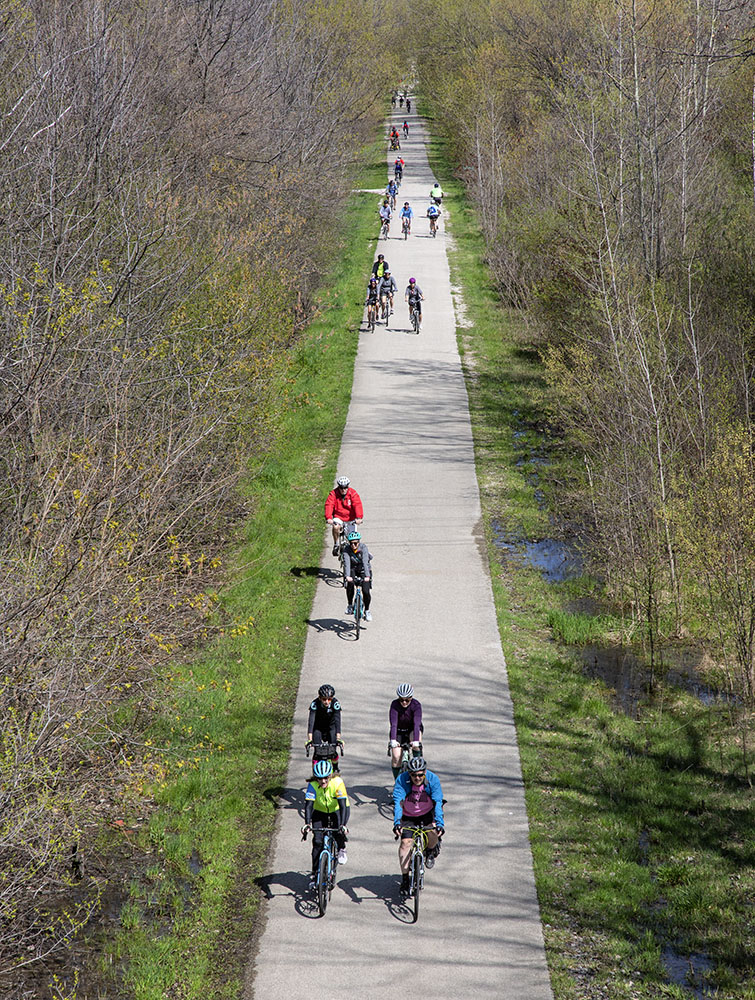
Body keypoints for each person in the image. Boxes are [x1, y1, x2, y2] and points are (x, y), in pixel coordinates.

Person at [393, 756, 444, 894]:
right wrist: (397, 822)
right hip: (408, 815)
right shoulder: (402, 780)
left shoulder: (433, 780)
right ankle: (405, 879)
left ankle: (430, 850)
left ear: (425, 772)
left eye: (420, 775)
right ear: (409, 773)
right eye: (414, 775)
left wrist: (439, 823)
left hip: (427, 813)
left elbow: (438, 802)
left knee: (433, 832)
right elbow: (398, 802)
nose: (417, 778)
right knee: (405, 843)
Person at [303, 759, 350, 883]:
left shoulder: (337, 783)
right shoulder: (312, 785)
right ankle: (314, 873)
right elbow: (308, 806)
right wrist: (307, 823)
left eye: (325, 778)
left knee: (338, 832)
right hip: (319, 811)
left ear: (330, 776)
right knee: (317, 842)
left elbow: (343, 805)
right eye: (319, 778)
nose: (323, 781)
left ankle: (341, 848)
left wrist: (343, 825)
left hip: (338, 810)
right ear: (316, 777)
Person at [389, 683, 423, 778]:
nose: (404, 702)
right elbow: (393, 724)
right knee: (396, 756)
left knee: (416, 743)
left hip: (412, 729)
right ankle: (398, 782)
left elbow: (417, 724)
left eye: (407, 700)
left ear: (411, 698)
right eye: (401, 700)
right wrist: (393, 740)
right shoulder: (394, 705)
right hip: (399, 730)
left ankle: (418, 764)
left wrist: (416, 741)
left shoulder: (416, 705)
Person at [324, 475, 363, 555]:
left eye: (345, 488)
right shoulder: (333, 494)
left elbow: (357, 504)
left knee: (353, 539)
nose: (343, 490)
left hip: (351, 518)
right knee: (336, 527)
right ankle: (336, 544)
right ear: (339, 487)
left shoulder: (353, 493)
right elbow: (329, 505)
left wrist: (359, 517)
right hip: (339, 517)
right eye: (341, 488)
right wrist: (329, 517)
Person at [343, 529, 372, 622]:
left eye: (355, 543)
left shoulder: (363, 548)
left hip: (364, 570)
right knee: (350, 584)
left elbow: (365, 562)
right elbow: (347, 564)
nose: (353, 545)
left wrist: (367, 576)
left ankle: (367, 611)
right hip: (353, 570)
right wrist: (347, 576)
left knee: (366, 591)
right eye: (351, 543)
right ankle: (350, 605)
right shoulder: (347, 550)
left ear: (359, 542)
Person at [307, 683, 342, 750]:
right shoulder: (315, 704)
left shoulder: (335, 704)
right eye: (324, 699)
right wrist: (310, 739)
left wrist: (338, 738)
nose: (326, 702)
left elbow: (337, 720)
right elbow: (311, 721)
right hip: (318, 727)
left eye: (329, 699)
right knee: (317, 750)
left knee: (332, 751)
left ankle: (334, 760)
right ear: (320, 698)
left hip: (331, 727)